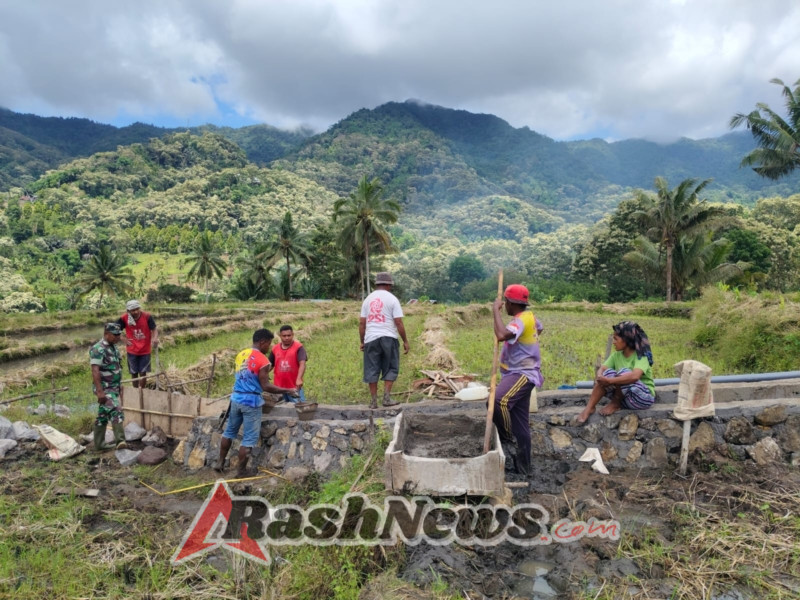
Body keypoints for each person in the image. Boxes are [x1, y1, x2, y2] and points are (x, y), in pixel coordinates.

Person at [215, 329, 297, 477]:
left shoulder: (241, 355)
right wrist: (288, 390)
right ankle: (241, 471)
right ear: (262, 342)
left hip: (235, 399)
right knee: (248, 439)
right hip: (251, 402)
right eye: (269, 343)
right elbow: (266, 386)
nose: (269, 347)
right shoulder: (263, 361)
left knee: (229, 432)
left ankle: (220, 463)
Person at [491, 284, 543, 476]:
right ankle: (524, 469)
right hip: (517, 372)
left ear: (511, 304)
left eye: (505, 302)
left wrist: (495, 312)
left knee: (499, 401)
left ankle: (507, 440)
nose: (504, 306)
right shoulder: (529, 317)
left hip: (522, 373)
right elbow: (539, 328)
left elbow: (502, 334)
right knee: (521, 422)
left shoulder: (520, 320)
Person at [576, 321, 655, 424]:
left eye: (616, 339)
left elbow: (635, 376)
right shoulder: (616, 356)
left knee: (624, 372)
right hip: (626, 399)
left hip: (642, 398)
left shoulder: (641, 356)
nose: (613, 342)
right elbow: (602, 369)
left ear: (626, 340)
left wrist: (609, 381)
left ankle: (615, 403)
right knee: (607, 373)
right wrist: (600, 377)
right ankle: (589, 408)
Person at [359, 272, 410, 409]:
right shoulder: (392, 299)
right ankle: (386, 398)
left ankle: (373, 401)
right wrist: (405, 340)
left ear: (377, 284)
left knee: (371, 368)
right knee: (391, 367)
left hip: (371, 338)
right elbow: (398, 322)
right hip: (389, 337)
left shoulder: (368, 300)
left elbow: (362, 324)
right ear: (388, 285)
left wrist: (363, 341)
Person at [89, 323, 128, 451]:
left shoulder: (114, 347)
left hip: (114, 386)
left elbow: (117, 367)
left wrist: (119, 386)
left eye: (119, 334)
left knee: (103, 415)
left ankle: (99, 445)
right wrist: (100, 392)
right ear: (106, 334)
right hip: (105, 388)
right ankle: (121, 442)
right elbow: (95, 370)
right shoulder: (98, 349)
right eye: (115, 335)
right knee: (116, 410)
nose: (118, 337)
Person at [116, 299, 158, 389]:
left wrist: (154, 338)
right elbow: (114, 329)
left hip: (145, 349)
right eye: (133, 310)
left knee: (143, 372)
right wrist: (123, 339)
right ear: (128, 311)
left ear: (139, 308)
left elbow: (154, 329)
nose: (135, 312)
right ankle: (135, 391)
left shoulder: (147, 316)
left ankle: (141, 391)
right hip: (132, 350)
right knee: (134, 372)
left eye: (137, 309)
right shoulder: (124, 318)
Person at [268, 325, 308, 403]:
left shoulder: (298, 347)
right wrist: (263, 374)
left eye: (289, 335)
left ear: (292, 335)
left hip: (294, 387)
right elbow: (270, 365)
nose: (286, 338)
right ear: (280, 336)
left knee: (299, 408)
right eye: (284, 336)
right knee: (280, 410)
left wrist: (299, 378)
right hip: (278, 388)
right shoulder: (275, 348)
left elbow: (302, 364)